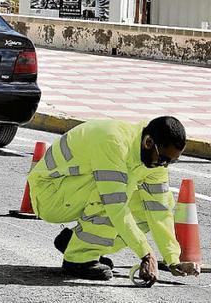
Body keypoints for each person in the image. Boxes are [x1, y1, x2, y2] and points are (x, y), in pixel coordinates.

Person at [28, 117, 201, 282]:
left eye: (171, 162)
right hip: (50, 193)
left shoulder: (154, 160)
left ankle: (77, 241)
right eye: (163, 159)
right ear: (148, 143)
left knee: (145, 210)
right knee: (113, 196)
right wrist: (146, 254)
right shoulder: (113, 142)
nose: (164, 166)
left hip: (74, 193)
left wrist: (172, 259)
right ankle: (79, 258)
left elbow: (159, 211)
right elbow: (115, 205)